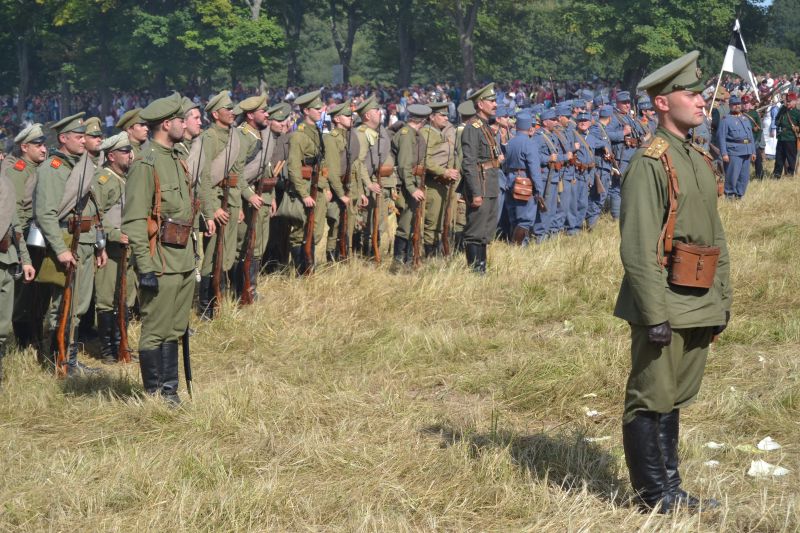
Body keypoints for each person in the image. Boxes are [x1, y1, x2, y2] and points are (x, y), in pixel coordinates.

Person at [616, 50, 731, 513]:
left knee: (675, 396)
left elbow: (714, 234)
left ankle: (672, 489)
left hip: (697, 298)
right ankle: (653, 496)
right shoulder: (651, 163)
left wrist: (722, 300)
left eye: (701, 93)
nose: (702, 102)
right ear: (663, 103)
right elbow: (639, 249)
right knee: (650, 397)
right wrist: (654, 312)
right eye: (692, 94)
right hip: (664, 299)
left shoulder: (695, 156)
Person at [122, 93, 195, 404]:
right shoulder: (145, 163)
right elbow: (136, 220)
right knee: (155, 329)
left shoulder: (176, 158)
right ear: (167, 124)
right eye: (181, 120)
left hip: (183, 257)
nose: (185, 124)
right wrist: (145, 266)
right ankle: (154, 395)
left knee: (176, 328)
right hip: (160, 259)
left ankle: (170, 392)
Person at [33, 112, 107, 375]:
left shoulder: (81, 165)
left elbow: (93, 208)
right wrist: (61, 249)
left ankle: (71, 358)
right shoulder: (54, 168)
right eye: (78, 136)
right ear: (63, 138)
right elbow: (46, 213)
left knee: (79, 305)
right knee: (62, 305)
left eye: (84, 136)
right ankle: (57, 360)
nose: (83, 140)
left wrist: (99, 243)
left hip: (85, 241)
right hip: (66, 241)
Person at [1, 124, 47, 347]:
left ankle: (35, 334)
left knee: (36, 289)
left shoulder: (38, 169)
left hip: (37, 236)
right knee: (23, 292)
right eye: (38, 145)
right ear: (24, 147)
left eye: (43, 144)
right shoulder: (18, 171)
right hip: (23, 236)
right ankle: (23, 341)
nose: (43, 149)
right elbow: (14, 210)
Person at [92, 133, 135, 364]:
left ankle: (122, 344)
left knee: (125, 298)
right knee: (107, 299)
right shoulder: (103, 180)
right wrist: (113, 236)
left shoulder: (126, 178)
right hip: (109, 249)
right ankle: (107, 349)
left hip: (128, 249)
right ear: (110, 156)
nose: (130, 155)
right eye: (125, 151)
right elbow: (97, 216)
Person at [285, 90, 327, 274]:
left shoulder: (317, 132)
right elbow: (294, 168)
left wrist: (324, 186)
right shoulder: (299, 135)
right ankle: (302, 268)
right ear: (307, 111)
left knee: (315, 230)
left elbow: (322, 163)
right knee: (300, 231)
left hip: (316, 187)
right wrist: (303, 194)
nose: (321, 111)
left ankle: (309, 263)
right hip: (305, 188)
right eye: (317, 108)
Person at [0, 168, 35, 385]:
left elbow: (15, 227)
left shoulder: (5, 185)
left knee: (3, 325)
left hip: (7, 259)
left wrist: (26, 259)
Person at [459, 83, 500, 272]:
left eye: (495, 100)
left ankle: (482, 268)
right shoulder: (473, 127)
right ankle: (475, 272)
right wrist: (475, 192)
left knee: (486, 230)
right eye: (491, 101)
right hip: (481, 186)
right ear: (480, 104)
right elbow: (469, 163)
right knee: (476, 231)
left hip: (490, 184)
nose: (495, 104)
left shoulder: (485, 126)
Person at [392, 104, 432, 267]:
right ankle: (399, 262)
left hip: (412, 182)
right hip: (406, 185)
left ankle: (409, 259)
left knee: (411, 222)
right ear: (422, 121)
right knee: (406, 223)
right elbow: (404, 165)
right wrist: (411, 188)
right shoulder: (407, 135)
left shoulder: (413, 135)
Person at [503, 112, 542, 245]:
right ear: (530, 127)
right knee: (525, 220)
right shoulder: (529, 143)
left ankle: (514, 245)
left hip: (510, 179)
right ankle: (518, 247)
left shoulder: (510, 142)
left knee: (514, 217)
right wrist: (538, 189)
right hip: (525, 181)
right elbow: (534, 169)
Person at [717, 95, 755, 199]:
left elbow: (750, 136)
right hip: (733, 152)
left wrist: (753, 152)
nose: (737, 106)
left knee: (744, 177)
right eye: (734, 104)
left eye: (738, 104)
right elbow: (721, 137)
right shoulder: (726, 120)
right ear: (730, 106)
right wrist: (724, 153)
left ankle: (739, 195)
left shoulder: (745, 118)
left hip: (746, 151)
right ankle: (729, 196)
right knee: (732, 176)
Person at [770, 92, 800, 179]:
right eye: (787, 101)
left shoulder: (797, 113)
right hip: (781, 137)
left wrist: (797, 128)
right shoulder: (783, 109)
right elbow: (776, 119)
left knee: (791, 158)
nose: (787, 103)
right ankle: (777, 174)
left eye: (789, 101)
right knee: (779, 157)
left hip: (791, 138)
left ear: (795, 101)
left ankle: (790, 174)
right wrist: (778, 123)